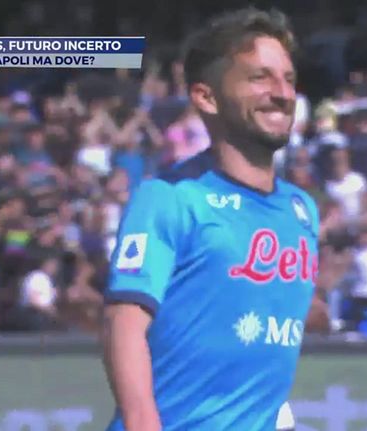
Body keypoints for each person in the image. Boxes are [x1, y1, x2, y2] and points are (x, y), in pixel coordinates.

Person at [101, 8, 324, 431]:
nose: (282, 93)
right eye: (259, 77)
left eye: (289, 79)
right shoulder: (170, 198)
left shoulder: (302, 210)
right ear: (207, 97)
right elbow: (123, 322)